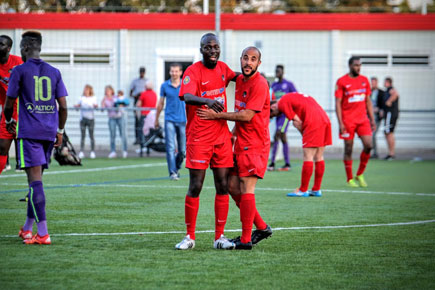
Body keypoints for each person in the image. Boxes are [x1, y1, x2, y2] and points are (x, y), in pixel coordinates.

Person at [197, 46, 272, 250]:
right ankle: (262, 227)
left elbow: (247, 115)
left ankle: (246, 240)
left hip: (255, 145)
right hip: (241, 143)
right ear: (240, 60)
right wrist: (230, 135)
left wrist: (217, 115)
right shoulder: (239, 81)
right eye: (245, 58)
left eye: (253, 59)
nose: (248, 62)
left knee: (247, 189)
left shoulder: (260, 84)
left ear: (259, 63)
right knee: (231, 186)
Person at [175, 33, 238, 250]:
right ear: (201, 49)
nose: (213, 51)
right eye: (208, 47)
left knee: (222, 186)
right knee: (196, 186)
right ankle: (189, 237)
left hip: (221, 137)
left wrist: (254, 76)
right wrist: (208, 101)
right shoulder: (192, 71)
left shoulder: (223, 68)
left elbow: (237, 77)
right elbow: (187, 97)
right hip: (199, 138)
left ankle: (219, 237)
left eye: (216, 47)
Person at [4, 31, 68, 245]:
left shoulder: (19, 70)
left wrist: (6, 121)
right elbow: (64, 106)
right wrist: (60, 131)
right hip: (49, 133)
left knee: (34, 183)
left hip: (29, 133)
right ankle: (27, 228)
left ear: (23, 49)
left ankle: (43, 233)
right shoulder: (54, 71)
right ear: (39, 48)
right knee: (35, 183)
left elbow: (9, 102)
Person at [270, 93, 332, 197]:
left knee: (308, 156)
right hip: (324, 119)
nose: (278, 114)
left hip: (313, 122)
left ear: (273, 106)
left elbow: (297, 121)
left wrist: (305, 135)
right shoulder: (292, 96)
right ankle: (316, 189)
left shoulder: (281, 103)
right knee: (319, 156)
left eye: (274, 114)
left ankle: (303, 190)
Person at [335, 56, 375, 188]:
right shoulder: (341, 81)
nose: (359, 67)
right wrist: (340, 123)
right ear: (350, 66)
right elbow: (338, 103)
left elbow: (368, 101)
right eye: (356, 65)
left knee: (368, 145)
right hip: (348, 121)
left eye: (360, 65)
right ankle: (349, 179)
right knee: (348, 149)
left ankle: (360, 174)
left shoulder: (364, 80)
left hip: (363, 120)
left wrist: (372, 119)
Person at [155, 63, 186, 180]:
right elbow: (161, 103)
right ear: (170, 72)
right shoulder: (164, 86)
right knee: (170, 147)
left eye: (176, 71)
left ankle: (177, 167)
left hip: (183, 120)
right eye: (172, 71)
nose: (174, 73)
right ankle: (172, 172)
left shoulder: (185, 84)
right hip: (169, 120)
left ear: (180, 72)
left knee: (182, 150)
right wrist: (156, 119)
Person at [0, 34, 23, 175]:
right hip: (7, 110)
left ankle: (33, 189)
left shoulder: (18, 62)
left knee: (28, 149)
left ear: (8, 48)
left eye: (1, 44)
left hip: (23, 111)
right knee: (2, 147)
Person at [268, 64, 297, 172]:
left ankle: (273, 163)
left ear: (283, 72)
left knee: (278, 134)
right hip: (278, 115)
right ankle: (285, 163)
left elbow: (295, 96)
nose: (277, 73)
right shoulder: (274, 85)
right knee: (281, 137)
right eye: (276, 71)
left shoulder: (288, 84)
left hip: (285, 114)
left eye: (279, 71)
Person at [102, 85, 127, 158]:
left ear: (112, 91)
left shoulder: (116, 97)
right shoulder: (105, 99)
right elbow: (102, 109)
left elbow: (123, 103)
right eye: (106, 91)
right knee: (112, 135)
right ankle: (113, 151)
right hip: (111, 118)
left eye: (108, 90)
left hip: (120, 117)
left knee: (123, 134)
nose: (107, 92)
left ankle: (124, 150)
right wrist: (103, 100)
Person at [75, 84, 97, 159]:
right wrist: (76, 106)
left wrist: (95, 106)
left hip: (91, 119)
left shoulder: (93, 98)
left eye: (87, 89)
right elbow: (78, 106)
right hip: (83, 119)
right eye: (85, 89)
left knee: (91, 136)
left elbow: (95, 106)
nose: (85, 91)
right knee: (83, 136)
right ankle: (81, 151)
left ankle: (92, 151)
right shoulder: (81, 98)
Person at [130, 67, 148, 145]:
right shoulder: (135, 81)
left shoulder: (147, 81)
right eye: (141, 72)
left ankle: (145, 138)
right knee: (137, 121)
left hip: (144, 102)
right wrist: (136, 96)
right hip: (137, 100)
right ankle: (137, 138)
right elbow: (130, 93)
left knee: (145, 120)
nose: (142, 73)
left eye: (143, 72)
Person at [137, 82, 157, 147]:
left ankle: (143, 145)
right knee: (151, 131)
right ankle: (150, 145)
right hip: (152, 115)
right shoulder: (154, 94)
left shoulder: (143, 93)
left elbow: (138, 104)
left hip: (145, 114)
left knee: (142, 130)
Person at [383, 77, 399, 160]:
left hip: (391, 114)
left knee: (389, 132)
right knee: (387, 132)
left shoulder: (391, 89)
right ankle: (390, 153)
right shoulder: (386, 90)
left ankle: (391, 153)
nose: (384, 83)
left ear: (389, 82)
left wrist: (389, 101)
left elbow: (395, 94)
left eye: (385, 82)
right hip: (388, 114)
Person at [369, 77, 385, 159]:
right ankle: (370, 152)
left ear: (377, 83)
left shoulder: (381, 92)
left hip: (377, 117)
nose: (373, 84)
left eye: (374, 82)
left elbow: (384, 103)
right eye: (371, 83)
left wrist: (380, 109)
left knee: (373, 135)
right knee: (368, 135)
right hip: (368, 116)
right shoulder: (368, 92)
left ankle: (375, 153)